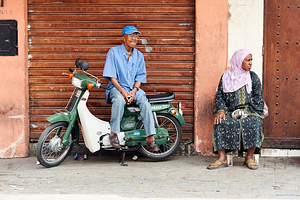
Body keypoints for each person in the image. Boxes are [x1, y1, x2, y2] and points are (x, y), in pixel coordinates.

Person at [103, 26, 159, 151]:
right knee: (118, 100)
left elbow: (140, 76)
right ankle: (113, 134)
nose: (134, 38)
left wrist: (133, 92)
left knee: (145, 102)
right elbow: (112, 76)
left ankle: (150, 137)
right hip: (117, 88)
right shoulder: (113, 52)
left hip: (133, 89)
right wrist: (123, 92)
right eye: (130, 35)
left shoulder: (139, 55)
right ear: (123, 37)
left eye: (136, 36)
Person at [207, 49, 265, 170]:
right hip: (229, 111)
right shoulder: (226, 77)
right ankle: (222, 159)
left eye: (251, 60)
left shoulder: (253, 77)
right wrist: (221, 110)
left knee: (255, 122)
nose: (250, 63)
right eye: (247, 60)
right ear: (239, 61)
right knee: (220, 122)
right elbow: (220, 96)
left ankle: (249, 157)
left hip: (249, 112)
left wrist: (247, 112)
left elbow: (259, 98)